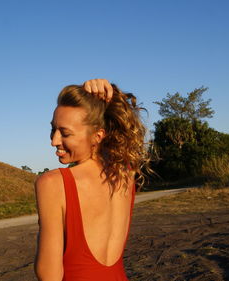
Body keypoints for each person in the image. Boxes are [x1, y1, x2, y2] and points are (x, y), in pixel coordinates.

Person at [34, 79, 149, 281]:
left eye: (65, 133)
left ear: (97, 136)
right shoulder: (126, 175)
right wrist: (108, 94)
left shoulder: (54, 183)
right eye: (53, 129)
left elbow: (48, 274)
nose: (54, 140)